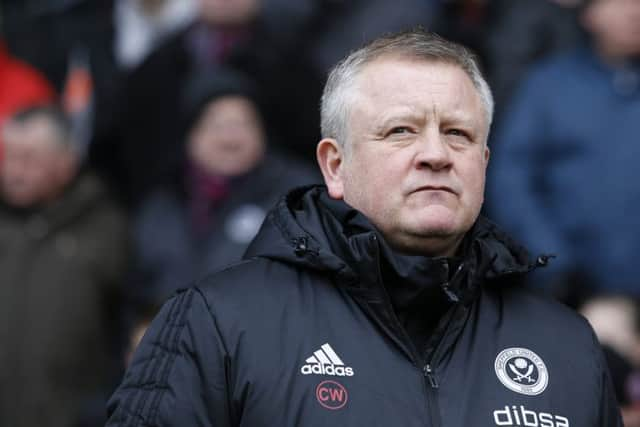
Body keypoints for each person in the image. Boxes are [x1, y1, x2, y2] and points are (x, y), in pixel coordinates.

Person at [106, 29, 622, 426]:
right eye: (401, 131)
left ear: (484, 165)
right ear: (335, 165)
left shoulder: (567, 346)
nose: (436, 154)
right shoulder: (217, 324)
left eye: (459, 134)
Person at [487, 0, 640, 296]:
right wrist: (556, 264)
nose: (634, 11)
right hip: (569, 290)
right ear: (587, 13)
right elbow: (512, 181)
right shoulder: (547, 85)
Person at [131, 67, 317, 306]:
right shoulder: (161, 206)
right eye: (217, 125)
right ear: (191, 136)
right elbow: (136, 293)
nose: (230, 139)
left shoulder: (298, 196)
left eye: (242, 124)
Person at [0, 106, 128, 427]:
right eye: (8, 156)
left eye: (30, 158)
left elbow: (128, 328)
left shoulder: (107, 229)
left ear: (66, 163)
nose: (15, 170)